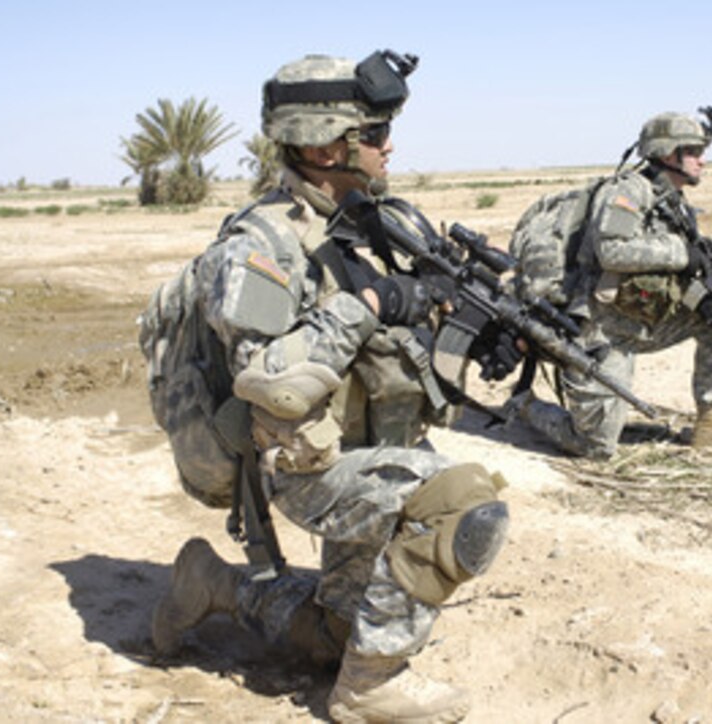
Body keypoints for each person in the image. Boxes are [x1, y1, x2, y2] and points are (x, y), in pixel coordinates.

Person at [150, 51, 510, 723]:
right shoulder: (262, 245)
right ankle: (367, 693)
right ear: (322, 146)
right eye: (372, 135)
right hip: (298, 464)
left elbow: (398, 349)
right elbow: (272, 385)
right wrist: (368, 306)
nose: (388, 146)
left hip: (364, 443)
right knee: (463, 504)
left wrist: (469, 332)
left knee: (335, 637)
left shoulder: (372, 223)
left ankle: (215, 585)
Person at [508, 110, 712, 460]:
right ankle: (524, 405)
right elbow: (612, 251)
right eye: (694, 152)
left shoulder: (673, 202)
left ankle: (710, 423)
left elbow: (661, 275)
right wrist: (682, 253)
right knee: (595, 447)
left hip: (639, 317)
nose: (702, 161)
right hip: (599, 329)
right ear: (669, 154)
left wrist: (702, 301)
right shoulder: (627, 191)